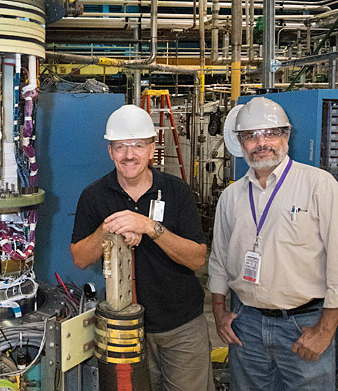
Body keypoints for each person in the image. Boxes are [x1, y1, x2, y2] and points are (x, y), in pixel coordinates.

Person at [70, 104, 212, 391]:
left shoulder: (176, 191)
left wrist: (150, 227)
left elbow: (197, 258)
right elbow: (80, 258)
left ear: (151, 149)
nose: (129, 154)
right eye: (120, 146)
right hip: (124, 330)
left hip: (180, 326)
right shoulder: (94, 196)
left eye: (137, 145)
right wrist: (107, 229)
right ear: (110, 151)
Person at [209, 97, 338, 390]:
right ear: (240, 143)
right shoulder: (231, 197)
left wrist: (325, 330)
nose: (261, 142)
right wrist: (219, 313)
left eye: (271, 133)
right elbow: (218, 261)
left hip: (304, 323)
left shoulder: (319, 185)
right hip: (247, 326)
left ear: (286, 137)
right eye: (250, 136)